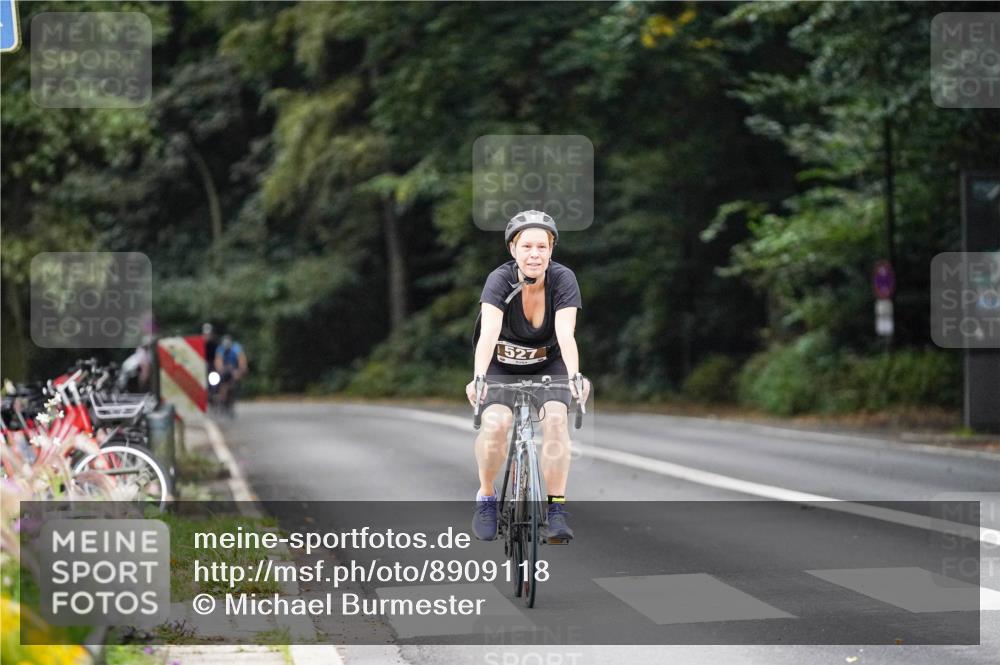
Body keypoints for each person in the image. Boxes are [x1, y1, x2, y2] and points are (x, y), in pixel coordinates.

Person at [466, 210, 590, 542]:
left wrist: (576, 375)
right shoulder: (499, 280)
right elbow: (489, 332)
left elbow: (566, 333)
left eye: (542, 247)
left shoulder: (563, 280)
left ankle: (556, 510)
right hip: (501, 366)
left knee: (556, 420)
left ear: (551, 250)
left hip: (549, 367)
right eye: (527, 247)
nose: (534, 254)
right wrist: (479, 377)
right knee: (497, 424)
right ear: (513, 250)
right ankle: (487, 498)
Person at [214, 334, 248, 410]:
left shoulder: (237, 348)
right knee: (221, 381)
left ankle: (233, 395)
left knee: (234, 379)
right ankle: (220, 398)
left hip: (235, 368)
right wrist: (220, 369)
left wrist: (241, 369)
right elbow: (218, 361)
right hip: (225, 369)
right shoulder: (220, 349)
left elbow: (241, 360)